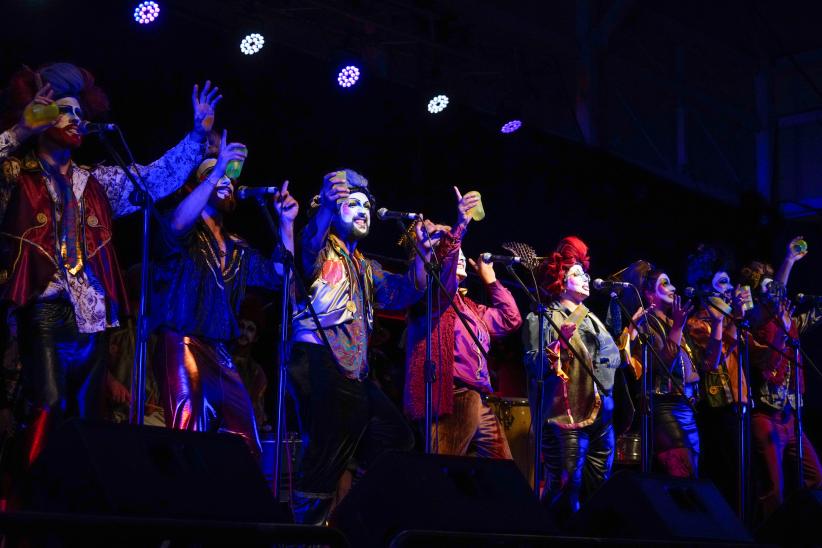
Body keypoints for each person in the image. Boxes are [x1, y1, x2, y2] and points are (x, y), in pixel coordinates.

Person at [0, 63, 216, 463]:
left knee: (86, 419)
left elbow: (155, 178)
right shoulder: (16, 173)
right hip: (42, 308)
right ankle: (31, 502)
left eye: (81, 114)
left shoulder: (97, 182)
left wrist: (197, 137)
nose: (75, 120)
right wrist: (18, 133)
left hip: (91, 316)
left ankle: (75, 508)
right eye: (64, 111)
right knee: (46, 409)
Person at [287, 169, 429, 524]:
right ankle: (303, 536)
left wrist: (423, 255)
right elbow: (306, 247)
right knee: (322, 460)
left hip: (353, 374)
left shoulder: (366, 266)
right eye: (353, 203)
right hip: (319, 359)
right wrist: (325, 210)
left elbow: (405, 291)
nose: (363, 210)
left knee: (396, 436)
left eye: (367, 205)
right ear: (333, 208)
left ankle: (352, 512)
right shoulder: (321, 247)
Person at [150, 132, 297, 458]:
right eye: (214, 176)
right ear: (197, 185)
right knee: (189, 431)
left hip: (220, 350)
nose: (227, 181)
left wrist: (286, 225)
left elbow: (280, 275)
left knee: (246, 441)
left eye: (228, 178)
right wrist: (217, 171)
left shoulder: (238, 246)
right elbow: (175, 225)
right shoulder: (182, 229)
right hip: (181, 340)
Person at [523, 236, 636, 522]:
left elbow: (612, 361)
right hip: (566, 418)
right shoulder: (542, 317)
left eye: (585, 273)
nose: (585, 278)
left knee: (596, 490)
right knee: (565, 486)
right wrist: (558, 344)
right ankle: (545, 534)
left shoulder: (592, 319)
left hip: (601, 419)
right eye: (577, 273)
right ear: (561, 279)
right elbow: (535, 364)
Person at [404, 187, 521, 459]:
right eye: (453, 253)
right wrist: (459, 227)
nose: (459, 258)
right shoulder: (432, 297)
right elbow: (443, 274)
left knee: (500, 470)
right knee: (444, 467)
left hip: (477, 397)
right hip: (451, 394)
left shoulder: (469, 306)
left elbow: (510, 320)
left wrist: (491, 280)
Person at [738, 238, 822, 522]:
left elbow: (813, 315)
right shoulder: (756, 317)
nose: (775, 290)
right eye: (768, 286)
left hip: (791, 418)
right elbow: (775, 295)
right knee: (774, 490)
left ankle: (802, 527)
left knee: (815, 477)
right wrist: (788, 260)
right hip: (767, 417)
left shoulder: (789, 321)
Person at [685, 244, 752, 511]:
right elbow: (713, 362)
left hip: (740, 402)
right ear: (706, 289)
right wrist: (726, 321)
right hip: (717, 408)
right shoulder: (697, 322)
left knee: (744, 475)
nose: (729, 286)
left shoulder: (729, 318)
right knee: (726, 475)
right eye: (722, 282)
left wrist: (736, 315)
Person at [624, 262, 699, 477]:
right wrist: (677, 327)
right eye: (664, 283)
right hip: (664, 406)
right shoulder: (646, 322)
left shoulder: (674, 322)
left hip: (687, 407)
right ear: (649, 293)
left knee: (692, 474)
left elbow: (697, 366)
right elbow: (663, 365)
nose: (673, 287)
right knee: (682, 474)